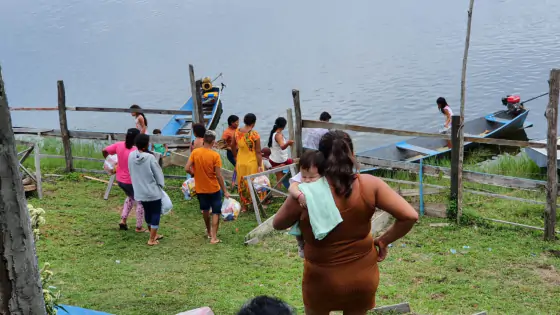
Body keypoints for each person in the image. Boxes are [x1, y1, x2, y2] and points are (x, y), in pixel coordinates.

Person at [273, 130, 419, 315]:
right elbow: (410, 216)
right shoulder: (370, 184)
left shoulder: (305, 193)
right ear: (351, 154)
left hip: (321, 279)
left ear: (321, 158)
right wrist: (383, 241)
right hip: (363, 276)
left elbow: (278, 223)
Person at [185, 130, 230, 244]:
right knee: (215, 211)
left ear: (203, 140)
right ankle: (214, 237)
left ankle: (209, 231)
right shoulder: (215, 155)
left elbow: (186, 168)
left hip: (200, 188)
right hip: (214, 188)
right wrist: (225, 191)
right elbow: (219, 176)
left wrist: (193, 174)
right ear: (213, 142)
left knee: (205, 210)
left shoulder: (195, 152)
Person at [102, 128, 145, 232]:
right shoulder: (137, 151)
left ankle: (123, 220)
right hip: (132, 181)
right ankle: (139, 227)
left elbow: (104, 150)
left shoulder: (119, 145)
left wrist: (111, 162)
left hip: (120, 180)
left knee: (130, 197)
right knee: (140, 202)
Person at [287, 150, 326, 258]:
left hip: (317, 214)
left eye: (312, 178)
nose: (307, 180)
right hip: (302, 213)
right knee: (299, 230)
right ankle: (300, 245)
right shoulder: (300, 179)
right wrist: (299, 196)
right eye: (304, 177)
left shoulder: (324, 180)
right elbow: (292, 187)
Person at [129, 134, 165, 246]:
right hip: (152, 191)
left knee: (148, 212)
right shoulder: (150, 158)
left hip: (140, 191)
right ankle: (151, 239)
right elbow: (158, 174)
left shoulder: (131, 156)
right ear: (146, 144)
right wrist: (160, 185)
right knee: (155, 213)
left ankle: (153, 234)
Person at [231, 113, 263, 212]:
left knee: (242, 183)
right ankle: (255, 204)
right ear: (253, 123)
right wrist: (259, 165)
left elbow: (232, 145)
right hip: (252, 161)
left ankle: (244, 206)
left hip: (241, 161)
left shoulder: (236, 132)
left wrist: (235, 156)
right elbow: (258, 151)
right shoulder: (254, 134)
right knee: (255, 183)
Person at [268, 117, 294, 188]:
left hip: (275, 159)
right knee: (281, 178)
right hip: (279, 161)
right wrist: (288, 143)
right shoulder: (278, 135)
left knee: (279, 177)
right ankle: (283, 189)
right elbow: (282, 147)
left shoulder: (274, 133)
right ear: (284, 125)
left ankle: (281, 189)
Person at [222, 115, 240, 190]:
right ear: (231, 123)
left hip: (239, 152)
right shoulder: (227, 132)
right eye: (236, 122)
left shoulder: (237, 130)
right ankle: (234, 184)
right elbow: (221, 144)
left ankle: (235, 183)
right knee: (238, 167)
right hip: (231, 153)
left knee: (238, 167)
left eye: (238, 122)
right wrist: (231, 149)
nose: (238, 123)